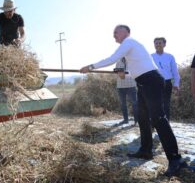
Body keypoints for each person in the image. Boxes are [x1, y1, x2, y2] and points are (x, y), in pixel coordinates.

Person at [80, 25, 186, 177]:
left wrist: (90, 67)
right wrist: (125, 75)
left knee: (158, 119)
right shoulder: (132, 48)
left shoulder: (129, 42)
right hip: (144, 82)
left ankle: (176, 159)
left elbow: (112, 59)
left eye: (116, 32)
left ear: (126, 32)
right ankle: (145, 150)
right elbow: (139, 70)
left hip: (151, 81)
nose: (114, 35)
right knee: (143, 118)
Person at [151, 37, 180, 120]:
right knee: (154, 104)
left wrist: (176, 84)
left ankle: (166, 124)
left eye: (160, 43)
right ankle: (154, 124)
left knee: (166, 104)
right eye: (156, 43)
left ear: (164, 44)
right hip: (154, 84)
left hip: (167, 83)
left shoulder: (170, 57)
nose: (158, 45)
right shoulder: (150, 57)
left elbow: (175, 72)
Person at [114, 58, 138, 125]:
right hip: (120, 86)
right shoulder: (118, 62)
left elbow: (135, 72)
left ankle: (137, 121)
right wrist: (119, 73)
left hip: (131, 85)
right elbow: (116, 72)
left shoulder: (133, 61)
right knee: (123, 104)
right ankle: (125, 120)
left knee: (135, 103)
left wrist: (125, 74)